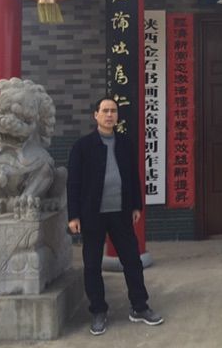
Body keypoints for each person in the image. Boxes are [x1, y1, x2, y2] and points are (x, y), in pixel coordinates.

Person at [67, 97, 163, 335]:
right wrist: (74, 216)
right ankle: (98, 311)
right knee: (92, 265)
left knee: (132, 261)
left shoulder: (125, 143)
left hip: (121, 212)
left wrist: (136, 205)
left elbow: (133, 176)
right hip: (92, 215)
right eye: (105, 111)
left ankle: (139, 306)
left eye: (113, 111)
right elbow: (73, 182)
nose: (109, 115)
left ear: (117, 116)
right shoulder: (82, 146)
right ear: (96, 115)